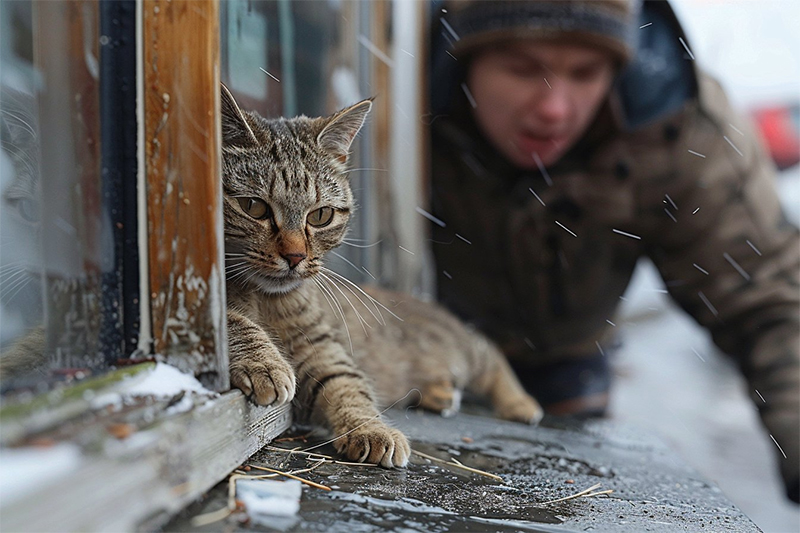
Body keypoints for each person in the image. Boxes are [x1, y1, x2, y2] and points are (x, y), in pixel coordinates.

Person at [427, 0, 799, 502]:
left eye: (586, 72)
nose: (555, 107)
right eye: (522, 68)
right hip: (413, 360)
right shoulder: (392, 98)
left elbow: (769, 301)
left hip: (567, 361)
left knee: (557, 500)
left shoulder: (680, 129)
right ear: (462, 58)